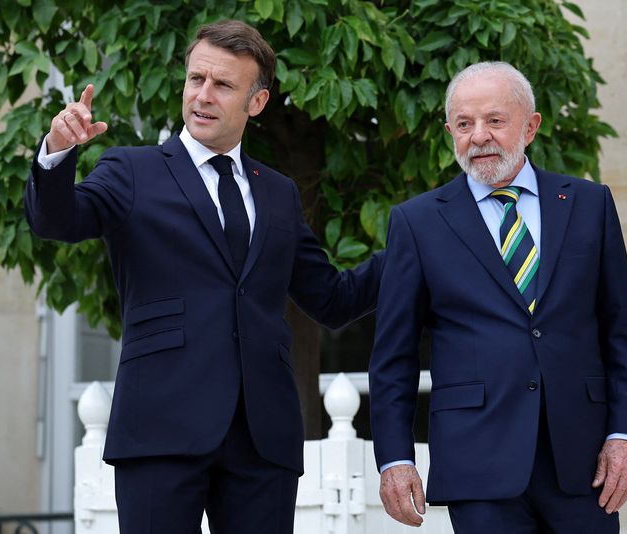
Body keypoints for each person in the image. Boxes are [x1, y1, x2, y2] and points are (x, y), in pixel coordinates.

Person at [25, 19, 382, 534]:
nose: (203, 95)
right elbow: (56, 220)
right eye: (196, 79)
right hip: (159, 430)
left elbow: (331, 298)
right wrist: (58, 151)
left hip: (262, 440)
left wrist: (417, 248)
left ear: (255, 103)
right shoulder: (132, 170)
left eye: (223, 85)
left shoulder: (278, 192)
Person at [368, 62, 627, 533]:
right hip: (477, 462)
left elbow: (621, 332)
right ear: (450, 132)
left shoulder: (589, 204)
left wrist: (626, 435)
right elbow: (393, 357)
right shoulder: (417, 223)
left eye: (494, 121)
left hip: (584, 463)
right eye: (464, 124)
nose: (479, 136)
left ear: (531, 126)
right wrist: (394, 458)